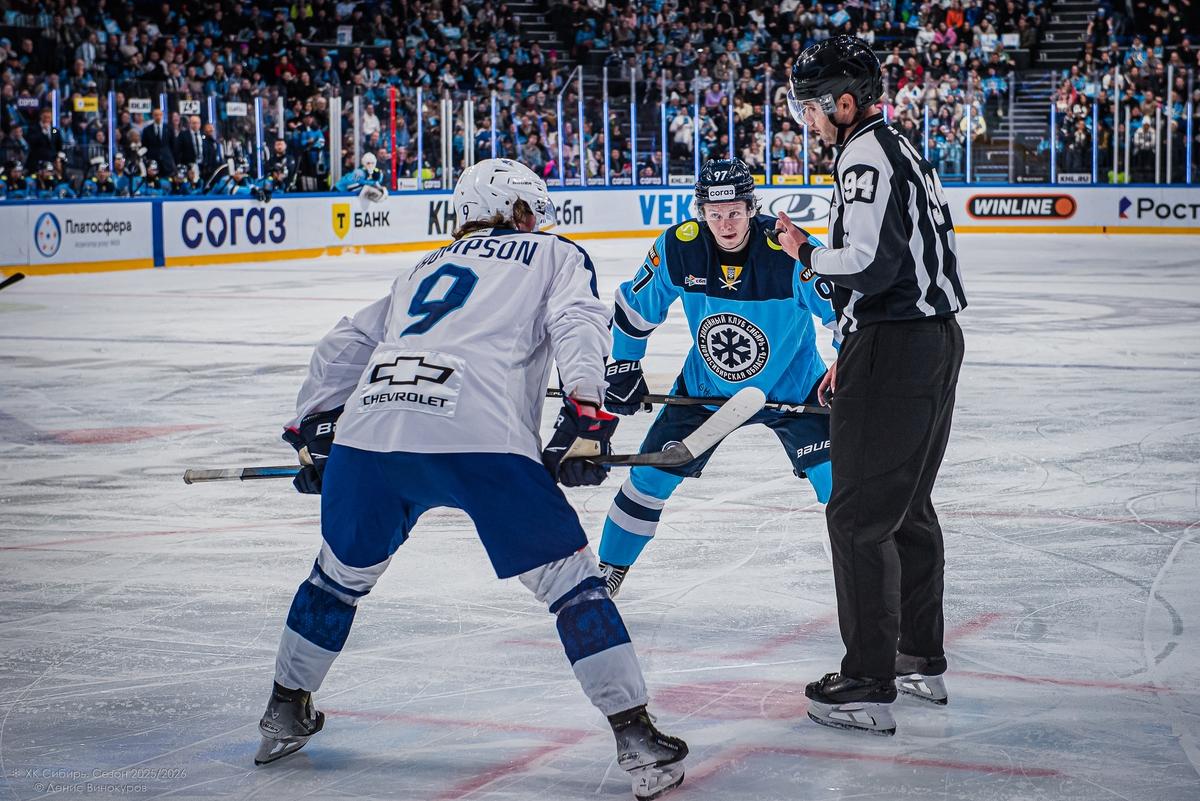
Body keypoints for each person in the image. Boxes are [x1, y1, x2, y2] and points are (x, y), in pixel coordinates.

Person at [253, 158, 688, 801]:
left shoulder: (421, 268)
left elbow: (342, 346)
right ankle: (636, 736)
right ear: (517, 211)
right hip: (479, 437)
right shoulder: (551, 254)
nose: (539, 222)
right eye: (532, 211)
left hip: (371, 435)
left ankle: (286, 705)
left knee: (336, 578)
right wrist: (586, 416)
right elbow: (577, 324)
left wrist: (313, 430)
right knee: (572, 586)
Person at [775, 35, 967, 736]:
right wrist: (853, 341)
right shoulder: (899, 147)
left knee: (857, 515)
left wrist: (802, 250)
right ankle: (919, 656)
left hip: (894, 345)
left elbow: (866, 263)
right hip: (929, 340)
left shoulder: (862, 156)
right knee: (907, 506)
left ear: (843, 103)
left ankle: (867, 680)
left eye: (811, 109)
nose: (808, 122)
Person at [597, 157, 840, 597]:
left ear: (751, 207)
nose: (725, 224)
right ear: (700, 212)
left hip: (795, 390)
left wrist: (847, 359)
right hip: (708, 391)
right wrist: (624, 364)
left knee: (841, 488)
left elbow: (845, 310)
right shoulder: (679, 246)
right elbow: (635, 309)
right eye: (714, 214)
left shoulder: (788, 248)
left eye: (734, 213)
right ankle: (608, 570)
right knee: (648, 480)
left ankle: (869, 581)